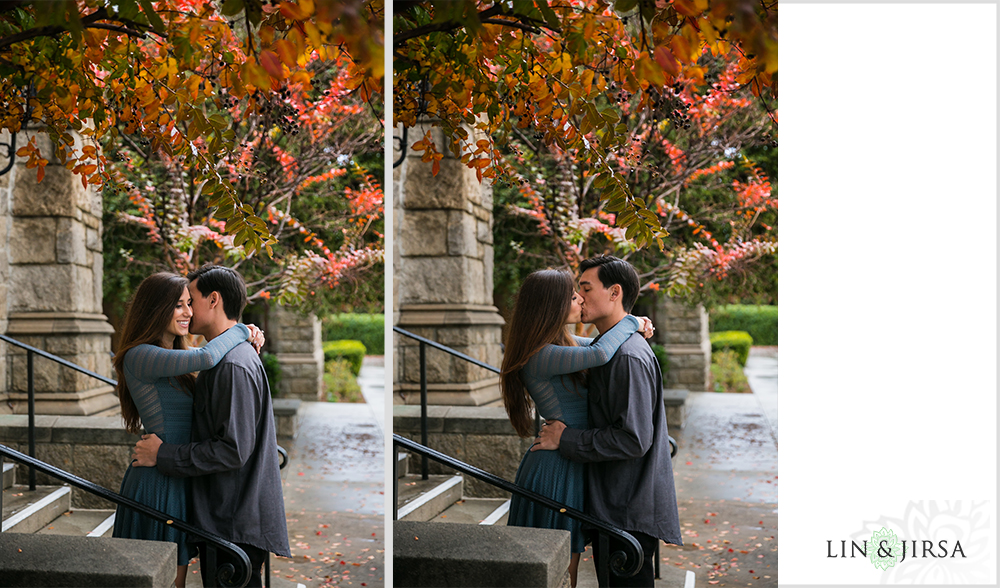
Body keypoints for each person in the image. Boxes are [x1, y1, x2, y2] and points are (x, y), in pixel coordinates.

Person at [131, 264, 290, 588]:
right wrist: (244, 330)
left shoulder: (229, 363)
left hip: (201, 490)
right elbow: (205, 358)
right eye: (179, 303)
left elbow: (232, 448)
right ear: (158, 308)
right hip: (165, 480)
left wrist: (242, 333)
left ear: (213, 300)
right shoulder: (151, 356)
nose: (188, 310)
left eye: (191, 301)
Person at [533, 255, 683, 588]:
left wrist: (567, 439)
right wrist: (635, 322)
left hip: (626, 508)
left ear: (614, 293)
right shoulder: (610, 347)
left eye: (585, 288)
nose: (579, 297)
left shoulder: (627, 356)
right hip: (616, 503)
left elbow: (633, 438)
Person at [500, 269, 654, 588]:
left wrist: (630, 325)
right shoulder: (541, 355)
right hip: (555, 469)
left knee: (567, 563)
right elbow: (599, 353)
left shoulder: (563, 343)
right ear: (551, 306)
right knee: (560, 568)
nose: (580, 298)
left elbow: (603, 345)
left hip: (570, 457)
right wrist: (632, 322)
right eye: (573, 296)